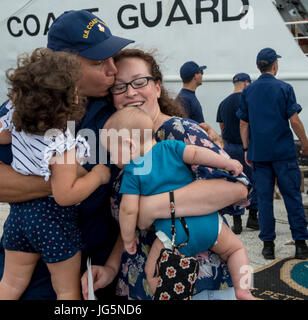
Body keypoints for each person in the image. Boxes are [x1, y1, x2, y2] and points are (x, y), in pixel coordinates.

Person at [0, 10, 246, 300]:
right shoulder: (33, 107)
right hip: (40, 264)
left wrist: (193, 132)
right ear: (63, 65)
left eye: (111, 59)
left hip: (104, 269)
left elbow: (161, 135)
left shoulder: (116, 107)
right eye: (97, 62)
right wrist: (73, 182)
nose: (112, 70)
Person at [81, 49, 249, 300]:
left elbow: (237, 186)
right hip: (139, 285)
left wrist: (154, 206)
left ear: (158, 87)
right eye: (119, 87)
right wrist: (111, 268)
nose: (130, 92)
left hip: (194, 282)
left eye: (139, 82)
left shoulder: (178, 130)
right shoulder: (125, 149)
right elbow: (130, 229)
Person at [0, 48, 113, 299]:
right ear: (71, 99)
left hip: (19, 217)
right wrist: (98, 176)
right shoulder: (63, 142)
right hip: (52, 221)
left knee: (11, 284)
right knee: (67, 290)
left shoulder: (15, 119)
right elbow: (65, 194)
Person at [102, 107, 255, 300]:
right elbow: (197, 153)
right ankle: (244, 290)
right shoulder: (170, 147)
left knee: (152, 271)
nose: (113, 160)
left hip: (173, 235)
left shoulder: (133, 172)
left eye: (112, 153)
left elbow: (128, 210)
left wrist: (127, 238)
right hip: (209, 223)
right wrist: (226, 163)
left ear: (129, 145)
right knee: (236, 249)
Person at [237, 47, 308, 260]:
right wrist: (305, 142)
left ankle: (268, 246)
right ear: (275, 65)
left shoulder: (248, 91)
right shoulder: (284, 88)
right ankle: (301, 246)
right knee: (292, 197)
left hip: (259, 154)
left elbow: (243, 123)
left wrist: (247, 148)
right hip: (283, 153)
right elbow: (294, 120)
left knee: (265, 200)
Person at [216, 73, 259, 234]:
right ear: (246, 83)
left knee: (235, 182)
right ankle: (253, 217)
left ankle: (237, 221)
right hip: (247, 147)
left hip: (230, 148)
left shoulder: (223, 103)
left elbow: (222, 127)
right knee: (254, 182)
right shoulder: (250, 101)